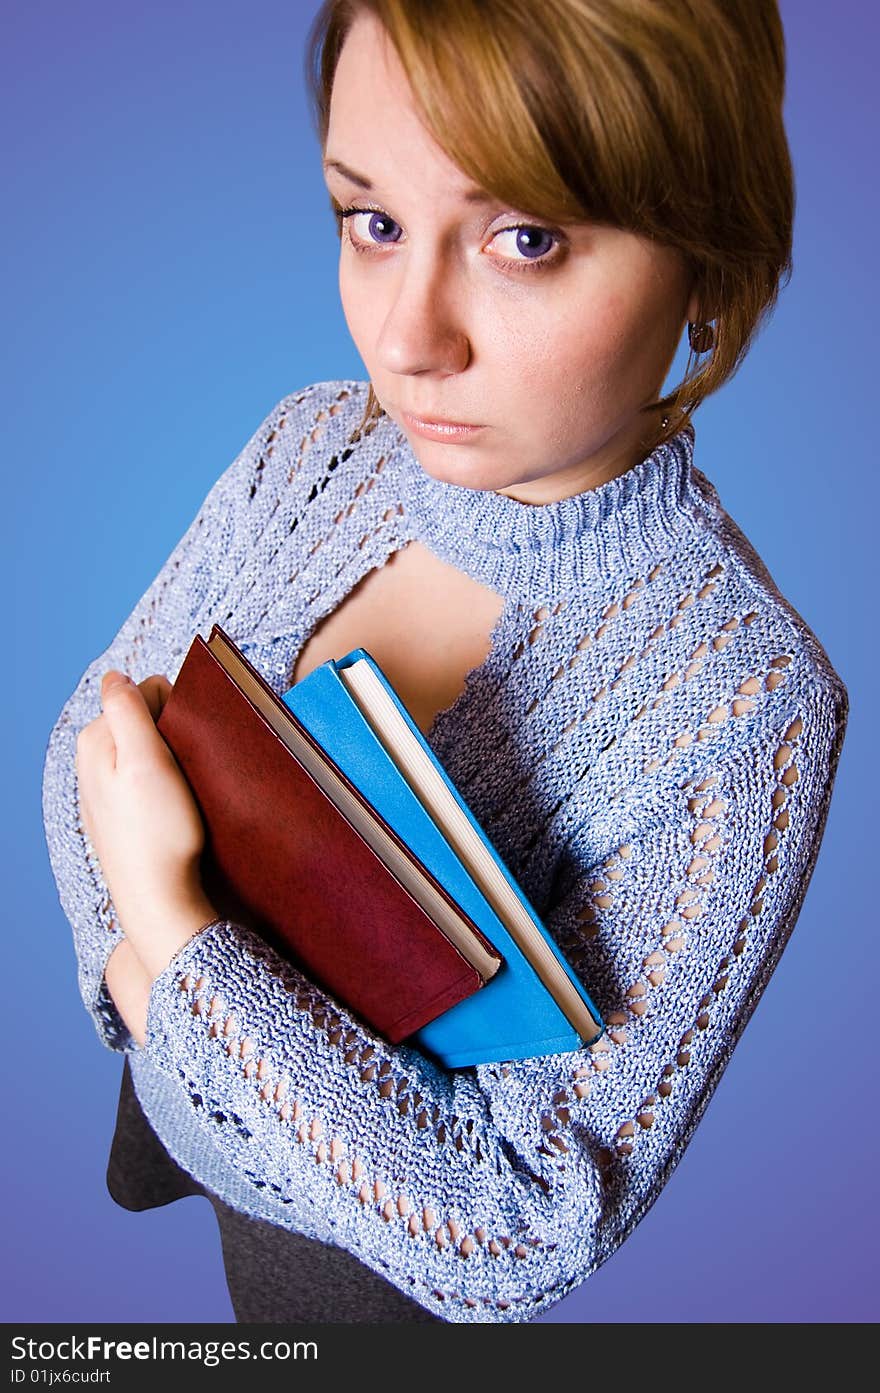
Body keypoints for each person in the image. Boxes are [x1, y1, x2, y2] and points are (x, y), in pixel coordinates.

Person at [42, 0, 848, 1324]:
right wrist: (160, 1011)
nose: (409, 339)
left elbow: (515, 1224)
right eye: (372, 221)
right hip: (179, 1095)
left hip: (340, 1291)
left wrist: (169, 949)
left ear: (708, 262)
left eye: (525, 238)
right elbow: (91, 726)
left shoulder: (744, 703)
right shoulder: (306, 445)